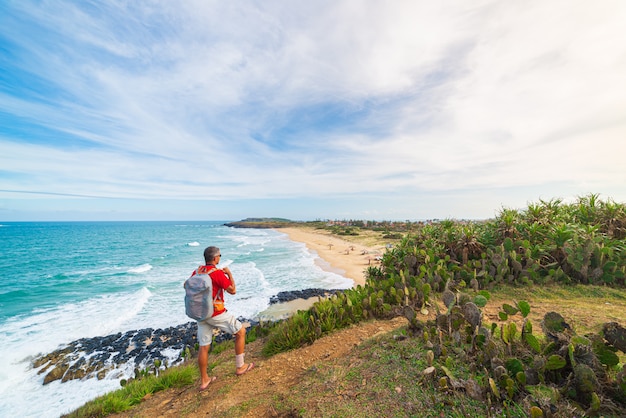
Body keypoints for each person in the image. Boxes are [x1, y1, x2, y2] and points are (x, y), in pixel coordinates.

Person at [191, 246, 254, 391]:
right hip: (215, 313)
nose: (220, 257)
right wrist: (229, 274)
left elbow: (185, 285)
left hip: (200, 314)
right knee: (240, 332)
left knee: (204, 347)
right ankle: (240, 366)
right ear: (215, 258)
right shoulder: (217, 273)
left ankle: (204, 380)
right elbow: (232, 290)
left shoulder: (197, 271)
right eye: (219, 255)